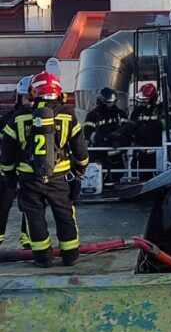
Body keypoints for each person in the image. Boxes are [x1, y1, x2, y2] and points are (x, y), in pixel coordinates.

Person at [0, 72, 88, 267]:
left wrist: (9, 177)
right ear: (59, 92)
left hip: (29, 179)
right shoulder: (68, 116)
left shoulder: (18, 118)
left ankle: (43, 258)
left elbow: (6, 155)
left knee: (34, 216)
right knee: (64, 214)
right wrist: (80, 169)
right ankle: (70, 255)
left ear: (34, 93)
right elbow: (80, 150)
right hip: (59, 178)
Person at [0, 76, 32, 248]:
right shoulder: (7, 119)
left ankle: (28, 240)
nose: (29, 102)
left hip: (28, 171)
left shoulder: (40, 117)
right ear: (19, 98)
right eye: (26, 98)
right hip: (7, 171)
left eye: (31, 98)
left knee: (30, 207)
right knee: (2, 206)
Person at [83, 87, 127, 188]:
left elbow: (127, 131)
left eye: (112, 103)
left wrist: (120, 141)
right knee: (99, 177)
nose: (110, 106)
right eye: (108, 103)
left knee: (116, 176)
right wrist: (103, 139)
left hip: (116, 155)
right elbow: (88, 133)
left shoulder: (120, 114)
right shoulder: (93, 115)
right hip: (98, 153)